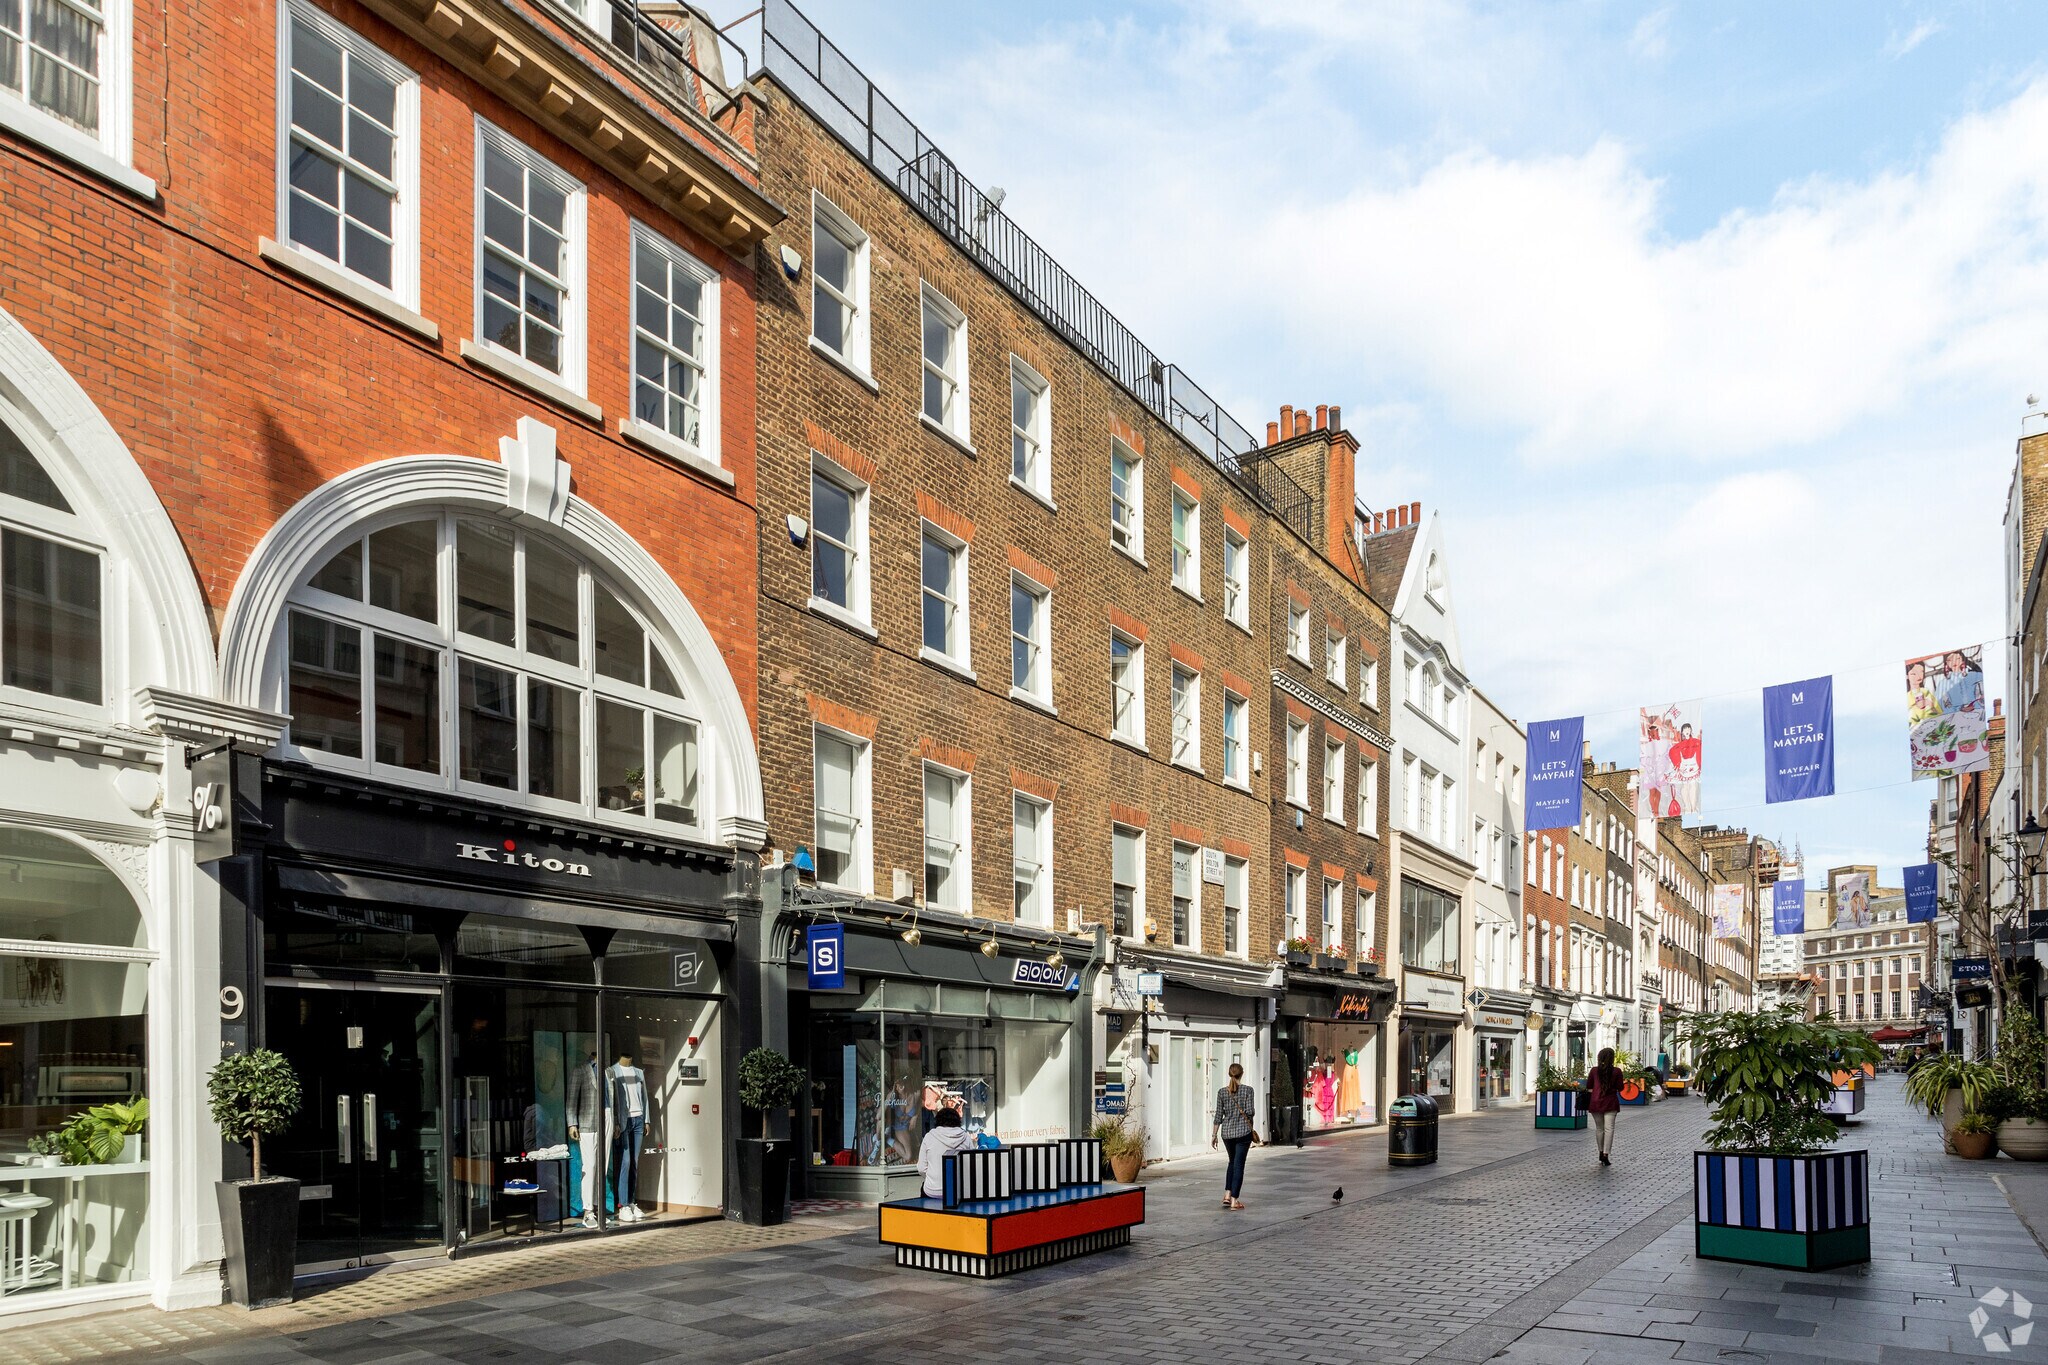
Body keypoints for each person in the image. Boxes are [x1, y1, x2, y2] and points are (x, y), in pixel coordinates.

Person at [1210, 1062, 1259, 1209]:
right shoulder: (1248, 1090)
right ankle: (1234, 1200)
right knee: (1239, 1165)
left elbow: (1219, 1115)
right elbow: (1250, 1111)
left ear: (1229, 1074)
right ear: (1241, 1074)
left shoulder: (1222, 1092)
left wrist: (1214, 1135)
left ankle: (1227, 1193)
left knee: (1231, 1162)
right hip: (1243, 1133)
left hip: (1227, 1133)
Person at [915, 1105, 977, 1200]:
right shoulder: (966, 1137)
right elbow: (972, 1164)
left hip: (932, 1190)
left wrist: (934, 1178)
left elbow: (921, 1168)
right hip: (959, 1191)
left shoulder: (929, 1137)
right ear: (958, 1121)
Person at [1585, 1047, 1624, 1166]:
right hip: (1610, 1102)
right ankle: (1606, 1154)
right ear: (1612, 1058)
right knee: (1609, 1129)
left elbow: (1589, 1086)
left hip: (1596, 1102)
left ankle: (1600, 1151)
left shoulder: (1594, 1071)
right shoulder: (1617, 1071)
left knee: (1599, 1129)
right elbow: (1621, 1087)